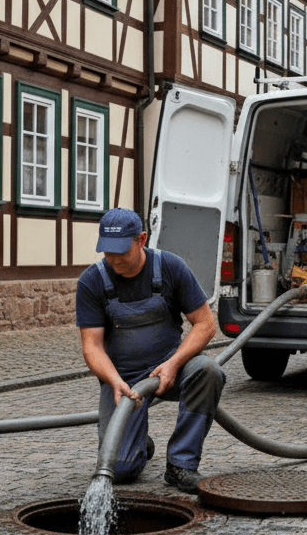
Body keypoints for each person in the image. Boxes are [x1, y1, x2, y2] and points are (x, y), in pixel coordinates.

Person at [76, 207, 225, 493]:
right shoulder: (92, 281)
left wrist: (174, 363)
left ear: (141, 239)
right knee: (120, 469)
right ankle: (137, 443)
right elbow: (91, 346)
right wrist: (114, 381)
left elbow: (205, 325)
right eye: (108, 251)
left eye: (121, 251)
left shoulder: (170, 267)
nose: (114, 259)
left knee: (208, 371)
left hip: (171, 368)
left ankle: (181, 464)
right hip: (124, 379)